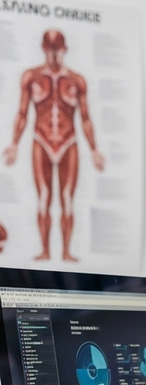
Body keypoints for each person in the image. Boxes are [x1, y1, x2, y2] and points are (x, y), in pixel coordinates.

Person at [3, 29, 104, 262]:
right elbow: (22, 112)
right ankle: (46, 251)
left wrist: (94, 149)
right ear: (43, 49)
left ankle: (66, 251)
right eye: (50, 50)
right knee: (44, 197)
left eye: (57, 50)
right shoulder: (30, 77)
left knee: (67, 197)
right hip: (41, 139)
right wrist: (14, 144)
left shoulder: (77, 81)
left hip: (69, 141)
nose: (54, 55)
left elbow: (86, 118)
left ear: (64, 50)